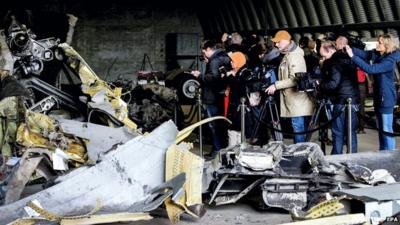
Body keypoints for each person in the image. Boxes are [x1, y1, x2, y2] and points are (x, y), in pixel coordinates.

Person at [345, 34, 400, 150]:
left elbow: (371, 69)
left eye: (379, 42)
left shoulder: (389, 60)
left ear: (386, 45)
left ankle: (391, 157)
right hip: (379, 97)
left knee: (387, 130)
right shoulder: (379, 54)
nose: (377, 44)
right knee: (381, 129)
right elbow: (366, 54)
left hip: (386, 99)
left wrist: (353, 57)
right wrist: (349, 48)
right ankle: (383, 154)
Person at [265, 30, 314, 143]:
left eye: (278, 42)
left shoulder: (295, 56)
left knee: (298, 128)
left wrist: (275, 85)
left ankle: (300, 154)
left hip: (297, 101)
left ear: (286, 41)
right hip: (293, 101)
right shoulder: (289, 54)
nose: (276, 45)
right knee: (297, 127)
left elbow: (295, 79)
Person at [317, 41, 359, 154]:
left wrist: (319, 85)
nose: (323, 58)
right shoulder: (347, 58)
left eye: (324, 56)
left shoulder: (334, 62)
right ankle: (353, 156)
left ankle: (336, 157)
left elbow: (333, 84)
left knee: (338, 131)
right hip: (353, 98)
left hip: (341, 100)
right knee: (351, 132)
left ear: (330, 51)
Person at [191, 40, 231, 155]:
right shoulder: (225, 56)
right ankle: (222, 148)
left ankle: (217, 150)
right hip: (222, 95)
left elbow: (213, 78)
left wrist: (200, 76)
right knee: (222, 124)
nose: (203, 54)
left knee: (213, 125)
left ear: (208, 49)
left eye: (204, 51)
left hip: (211, 97)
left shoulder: (214, 60)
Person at [224, 52, 251, 146]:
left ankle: (235, 155)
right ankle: (233, 154)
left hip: (239, 108)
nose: (231, 63)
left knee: (236, 132)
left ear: (239, 62)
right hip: (235, 108)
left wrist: (230, 76)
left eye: (233, 61)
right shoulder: (238, 72)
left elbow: (239, 87)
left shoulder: (245, 73)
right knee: (234, 132)